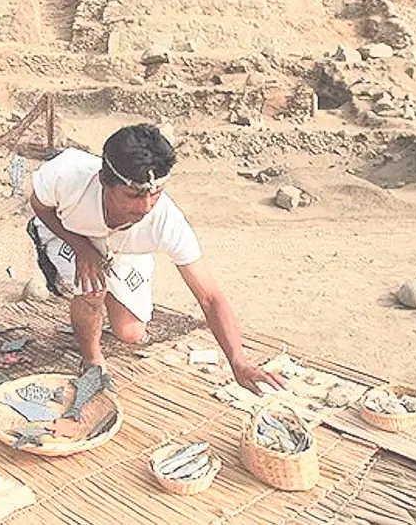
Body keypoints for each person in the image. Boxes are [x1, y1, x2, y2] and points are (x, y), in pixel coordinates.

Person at [26, 124, 287, 395]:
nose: (146, 206)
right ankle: (92, 359)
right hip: (69, 231)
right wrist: (81, 248)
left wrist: (238, 361)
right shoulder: (67, 174)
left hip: (124, 249)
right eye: (134, 195)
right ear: (105, 181)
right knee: (91, 289)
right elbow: (40, 206)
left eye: (155, 193)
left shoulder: (165, 221)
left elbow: (209, 297)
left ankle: (109, 284)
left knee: (130, 332)